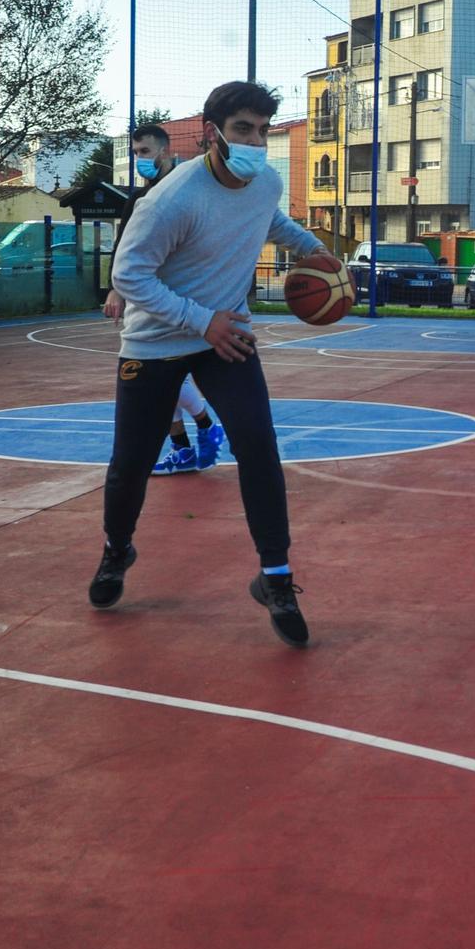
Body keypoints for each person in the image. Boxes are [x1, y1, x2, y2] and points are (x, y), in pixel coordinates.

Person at [91, 82, 326, 648]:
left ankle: (275, 576)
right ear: (213, 133)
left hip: (226, 338)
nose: (256, 141)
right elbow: (129, 277)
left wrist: (314, 249)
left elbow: (269, 221)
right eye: (244, 129)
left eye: (263, 130)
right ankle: (116, 550)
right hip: (156, 343)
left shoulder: (263, 180)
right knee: (130, 464)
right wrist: (202, 320)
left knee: (259, 446)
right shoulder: (171, 199)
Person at [103, 125, 225, 475]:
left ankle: (203, 427)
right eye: (135, 152)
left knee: (167, 375)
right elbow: (124, 247)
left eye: (144, 151)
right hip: (149, 299)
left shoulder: (188, 188)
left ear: (165, 150)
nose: (139, 158)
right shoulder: (137, 200)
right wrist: (116, 288)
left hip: (183, 297)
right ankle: (186, 445)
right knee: (162, 378)